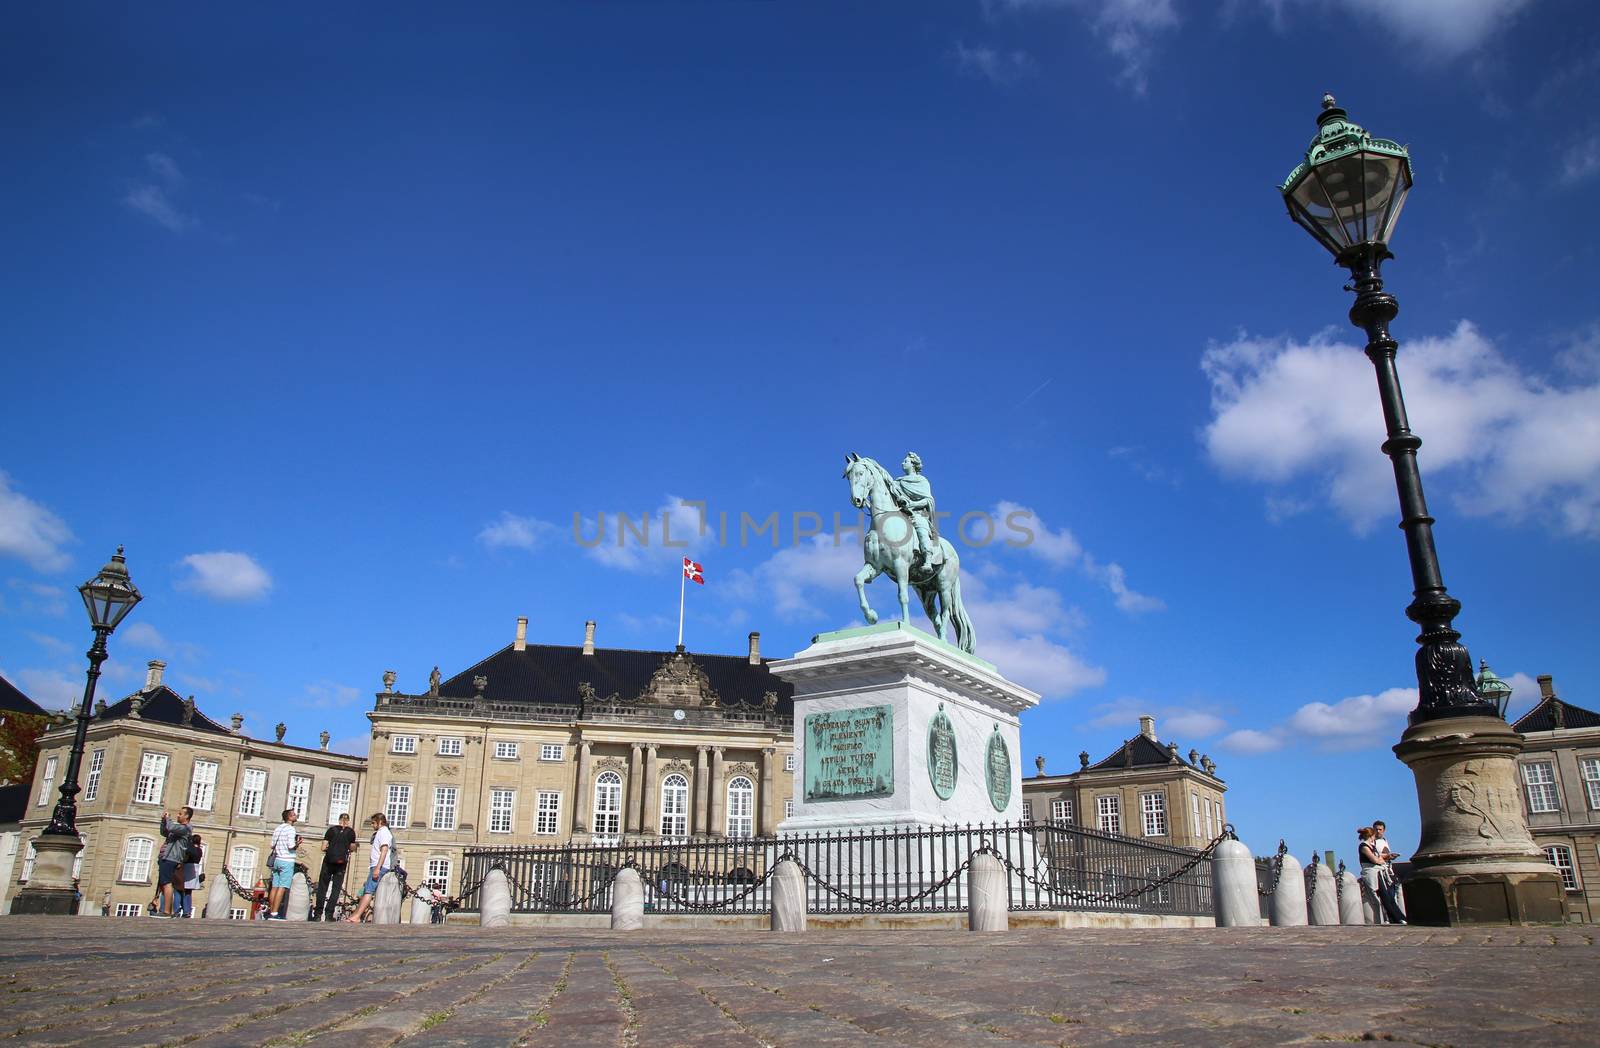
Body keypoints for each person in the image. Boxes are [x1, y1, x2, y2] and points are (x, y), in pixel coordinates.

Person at [344, 812, 393, 923]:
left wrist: (377, 868)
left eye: (373, 823)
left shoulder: (384, 832)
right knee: (368, 890)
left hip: (379, 866)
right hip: (376, 865)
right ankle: (356, 915)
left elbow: (384, 850)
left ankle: (357, 916)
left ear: (380, 822)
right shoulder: (381, 832)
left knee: (368, 891)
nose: (372, 825)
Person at [1358, 826, 1406, 925]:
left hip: (1379, 872)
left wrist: (1388, 856)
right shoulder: (1364, 847)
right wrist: (1381, 860)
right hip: (1373, 874)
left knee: (1388, 896)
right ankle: (1396, 918)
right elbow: (1375, 859)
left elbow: (1379, 857)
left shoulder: (1372, 846)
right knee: (1385, 896)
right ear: (1371, 835)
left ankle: (1399, 917)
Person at [153, 807, 193, 918]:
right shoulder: (178, 828)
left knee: (167, 883)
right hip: (166, 857)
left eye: (180, 814)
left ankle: (166, 911)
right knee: (164, 883)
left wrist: (168, 819)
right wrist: (163, 821)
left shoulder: (185, 828)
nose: (178, 815)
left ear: (187, 817)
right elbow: (165, 831)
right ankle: (166, 910)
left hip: (171, 858)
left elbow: (170, 827)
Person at [316, 813, 357, 921]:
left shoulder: (331, 830)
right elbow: (352, 848)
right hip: (341, 864)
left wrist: (330, 849)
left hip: (328, 862)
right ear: (348, 821)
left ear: (339, 820)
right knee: (336, 889)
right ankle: (329, 915)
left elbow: (323, 847)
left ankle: (318, 914)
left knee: (322, 887)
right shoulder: (351, 833)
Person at [266, 808, 301, 921]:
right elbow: (291, 846)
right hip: (287, 860)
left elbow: (272, 845)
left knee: (274, 887)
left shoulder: (278, 828)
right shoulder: (291, 829)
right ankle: (275, 914)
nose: (296, 816)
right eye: (294, 814)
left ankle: (271, 911)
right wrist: (298, 843)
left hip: (277, 860)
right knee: (282, 887)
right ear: (289, 817)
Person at [1372, 819, 1407, 921]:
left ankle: (1396, 917)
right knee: (1388, 897)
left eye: (1380, 829)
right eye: (1376, 829)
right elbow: (1375, 856)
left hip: (1388, 871)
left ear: (1384, 830)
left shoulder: (1384, 841)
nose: (1378, 831)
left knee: (1392, 896)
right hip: (1380, 871)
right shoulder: (1373, 842)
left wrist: (1389, 856)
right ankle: (1394, 918)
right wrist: (1387, 856)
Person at [178, 833, 204, 918]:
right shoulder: (200, 850)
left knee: (181, 890)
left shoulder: (191, 849)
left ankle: (181, 909)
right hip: (195, 869)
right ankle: (187, 910)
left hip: (187, 868)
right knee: (188, 892)